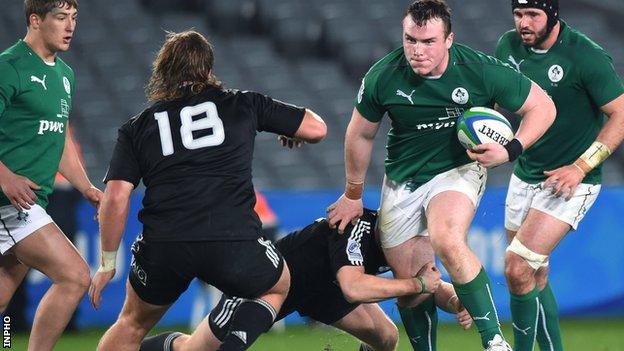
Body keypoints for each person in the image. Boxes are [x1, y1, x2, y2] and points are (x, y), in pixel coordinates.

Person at [326, 1, 556, 350]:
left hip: (458, 169)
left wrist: (511, 150)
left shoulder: (479, 70)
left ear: (449, 39)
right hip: (403, 179)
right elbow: (360, 134)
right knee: (412, 283)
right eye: (410, 40)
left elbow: (543, 106)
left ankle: (494, 340)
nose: (418, 51)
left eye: (429, 41)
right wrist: (353, 194)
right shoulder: (383, 75)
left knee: (446, 237)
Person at [87, 30, 327, 351]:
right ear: (209, 71)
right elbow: (317, 128)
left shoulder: (137, 127)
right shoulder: (243, 103)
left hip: (165, 244)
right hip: (232, 240)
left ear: (163, 72)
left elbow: (116, 197)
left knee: (131, 323)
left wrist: (106, 264)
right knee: (277, 285)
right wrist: (294, 134)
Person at [140, 209, 473, 351]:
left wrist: (457, 300)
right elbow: (355, 287)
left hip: (324, 290)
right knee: (195, 349)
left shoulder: (409, 239)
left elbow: (431, 282)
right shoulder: (358, 225)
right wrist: (418, 286)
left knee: (386, 338)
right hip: (272, 281)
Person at [495, 1, 624, 350]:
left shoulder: (586, 56)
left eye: (533, 15)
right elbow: (495, 100)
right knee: (531, 275)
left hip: (571, 179)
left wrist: (581, 167)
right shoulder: (508, 46)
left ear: (553, 15)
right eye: (519, 15)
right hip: (525, 173)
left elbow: (620, 115)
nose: (524, 23)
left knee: (517, 267)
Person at [0, 1, 103, 350]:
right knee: (74, 276)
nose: (70, 26)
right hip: (7, 203)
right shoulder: (8, 67)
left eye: (74, 18)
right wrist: (6, 177)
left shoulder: (65, 75)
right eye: (61, 18)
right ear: (35, 20)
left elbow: (58, 141)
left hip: (29, 203)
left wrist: (86, 186)